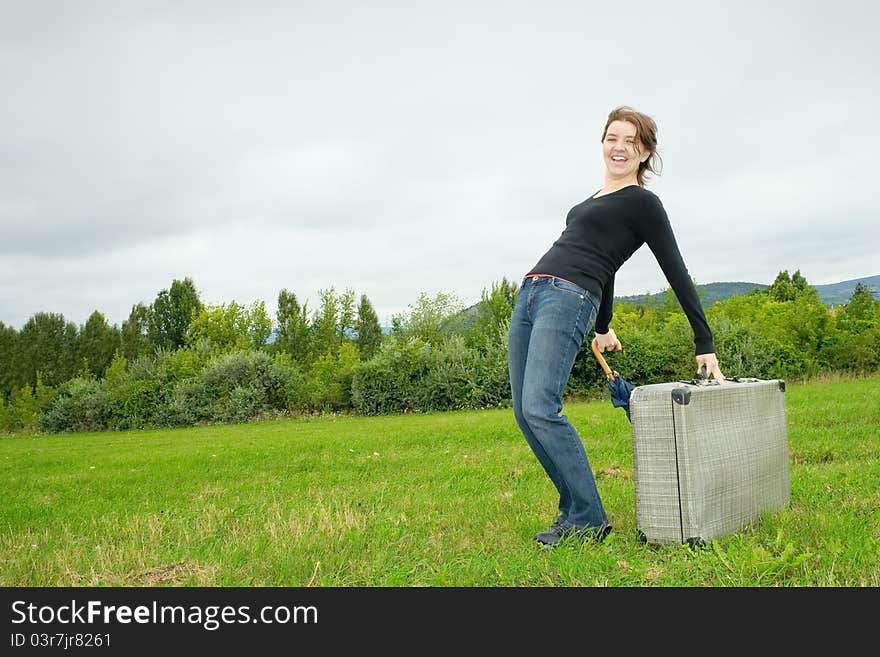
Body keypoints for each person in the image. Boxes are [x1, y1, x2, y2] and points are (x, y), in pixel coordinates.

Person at [507, 105, 725, 547]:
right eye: (613, 137)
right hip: (531, 292)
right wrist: (603, 325)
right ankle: (574, 511)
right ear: (602, 143)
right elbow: (608, 270)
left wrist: (704, 340)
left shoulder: (644, 203)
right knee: (524, 412)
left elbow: (676, 270)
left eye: (631, 141)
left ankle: (588, 518)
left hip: (567, 296)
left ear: (645, 153)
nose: (619, 147)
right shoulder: (590, 202)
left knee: (540, 407)